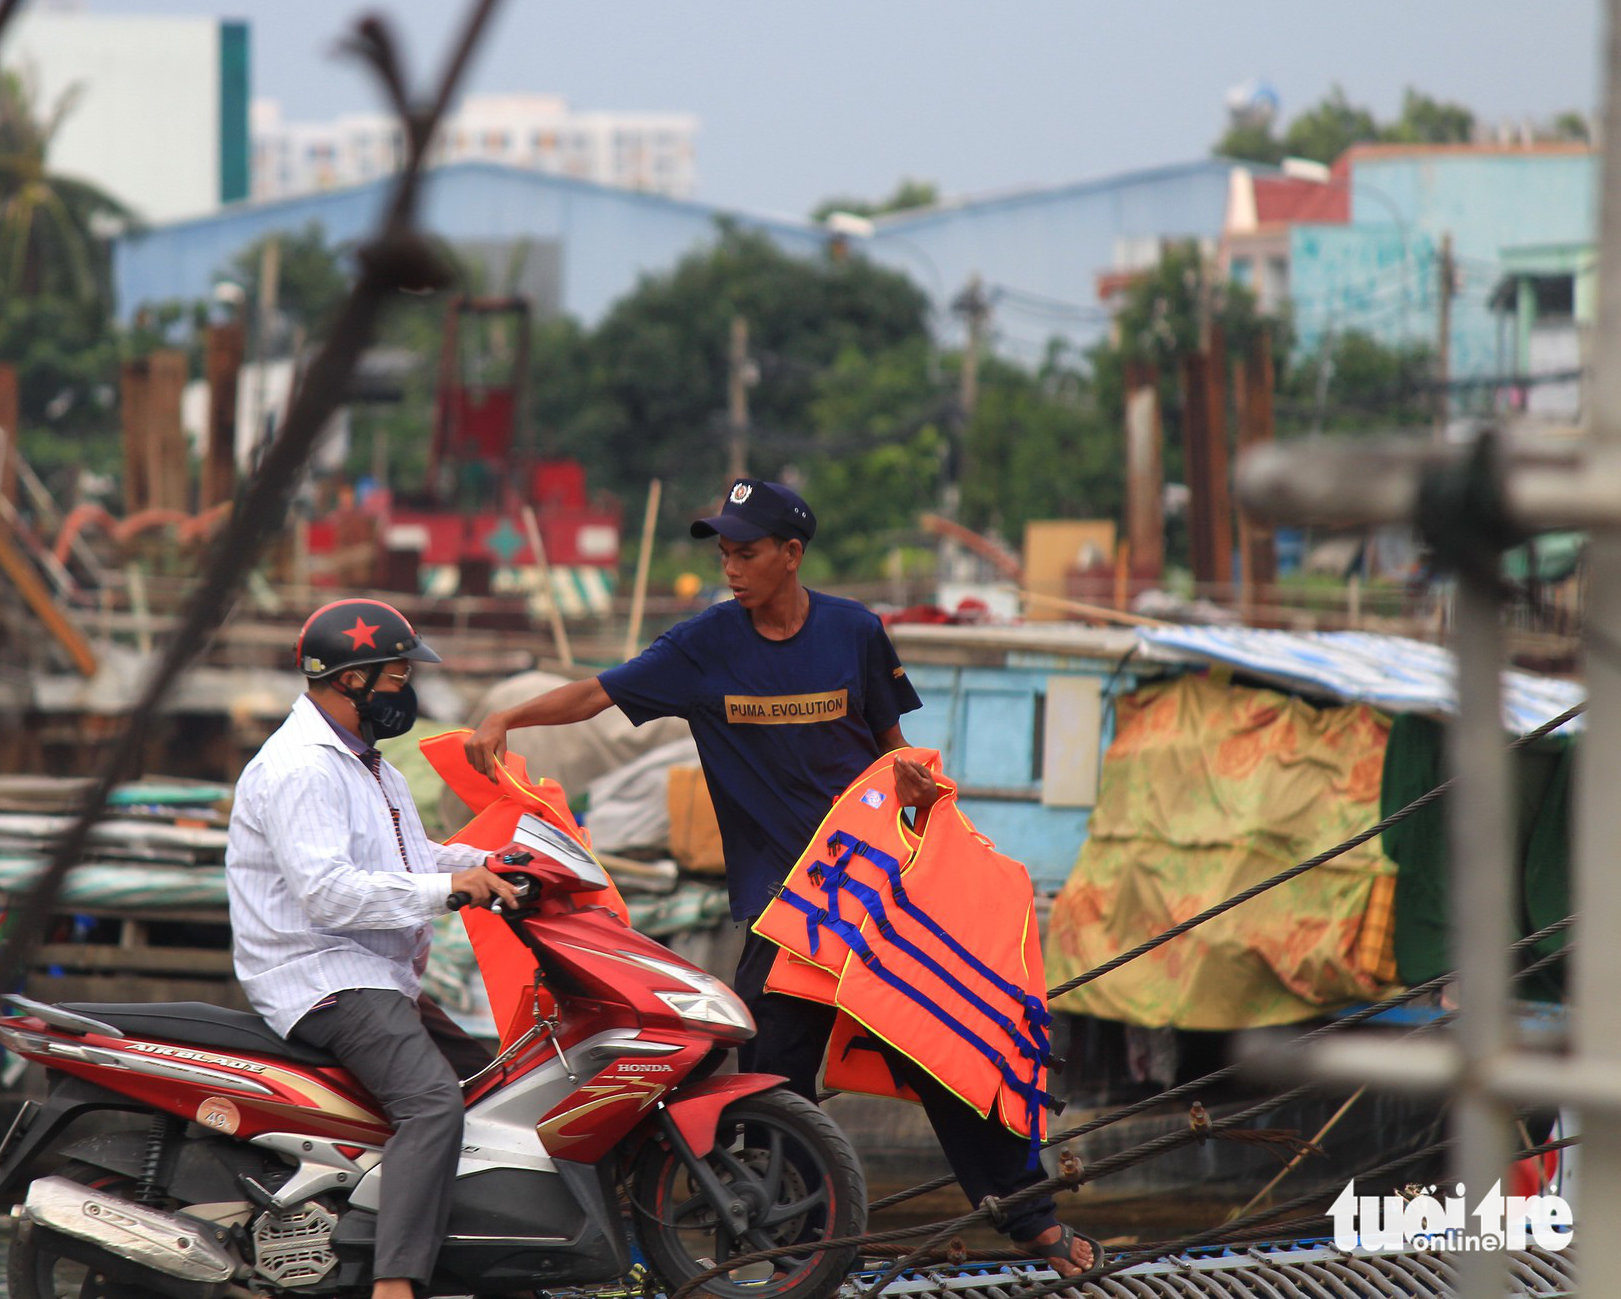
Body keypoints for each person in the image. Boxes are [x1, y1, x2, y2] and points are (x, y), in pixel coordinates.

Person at [466, 478, 1100, 1278]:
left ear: (791, 554)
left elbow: (890, 745)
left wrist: (913, 789)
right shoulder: (704, 648)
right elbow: (599, 690)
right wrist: (506, 718)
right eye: (724, 552)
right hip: (783, 908)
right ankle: (782, 1249)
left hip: (874, 895)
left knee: (949, 1047)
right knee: (769, 1083)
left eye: (747, 551)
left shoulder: (856, 632)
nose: (731, 567)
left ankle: (1032, 1220)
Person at [228, 598, 524, 1299]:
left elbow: (412, 854)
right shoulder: (304, 767)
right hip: (322, 975)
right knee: (432, 1103)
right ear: (351, 680)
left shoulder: (371, 766)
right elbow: (328, 893)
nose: (407, 690)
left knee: (497, 1086)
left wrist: (505, 859)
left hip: (379, 974)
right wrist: (452, 890)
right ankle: (395, 1284)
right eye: (396, 677)